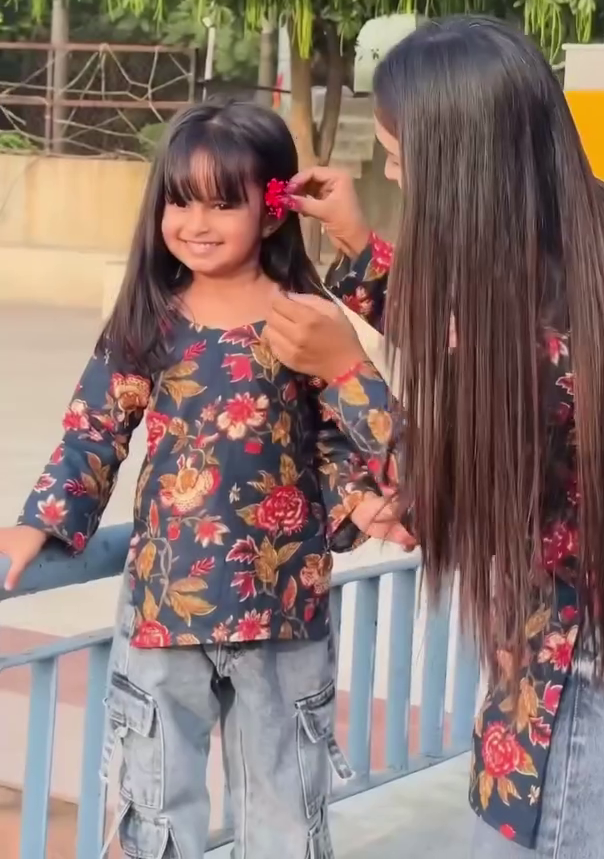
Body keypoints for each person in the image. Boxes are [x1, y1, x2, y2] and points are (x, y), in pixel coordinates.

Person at [264, 16, 604, 857]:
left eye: (401, 161)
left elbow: (464, 487)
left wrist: (345, 373)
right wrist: (363, 249)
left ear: (463, 166)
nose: (392, 173)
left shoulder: (552, 330)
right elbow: (480, 345)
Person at [0, 100, 410, 859]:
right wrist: (41, 521)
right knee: (156, 812)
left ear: (275, 208)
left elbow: (332, 440)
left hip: (284, 611)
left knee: (286, 817)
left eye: (225, 202)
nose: (197, 221)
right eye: (181, 200)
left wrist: (357, 499)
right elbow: (95, 426)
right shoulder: (149, 317)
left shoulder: (306, 318)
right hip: (165, 608)